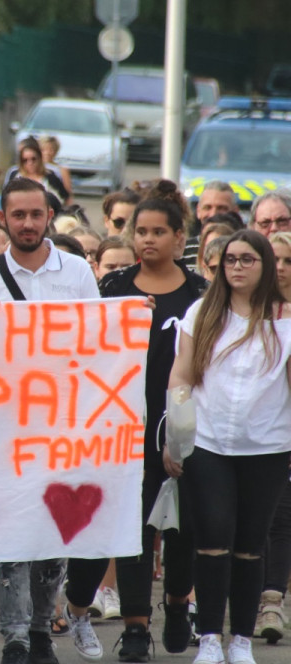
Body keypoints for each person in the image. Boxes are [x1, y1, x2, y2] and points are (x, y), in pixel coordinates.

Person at [0, 177, 99, 664]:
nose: (26, 223)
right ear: (2, 217)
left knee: (51, 533)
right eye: (17, 215)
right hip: (2, 424)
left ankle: (43, 628)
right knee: (12, 530)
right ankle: (16, 635)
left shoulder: (79, 272)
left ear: (48, 217)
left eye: (35, 215)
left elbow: (98, 343)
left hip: (61, 421)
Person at [167, 230, 291, 664]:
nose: (236, 267)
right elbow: (181, 377)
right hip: (209, 442)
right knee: (213, 536)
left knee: (251, 544)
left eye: (247, 259)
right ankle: (209, 639)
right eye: (230, 260)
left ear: (265, 265)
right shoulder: (203, 311)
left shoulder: (286, 318)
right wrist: (175, 440)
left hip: (268, 445)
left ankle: (240, 638)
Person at [98, 195, 208, 662]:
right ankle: (137, 626)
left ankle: (179, 602)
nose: (147, 240)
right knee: (134, 530)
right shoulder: (114, 287)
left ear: (179, 238)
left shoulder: (200, 295)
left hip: (183, 430)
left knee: (183, 532)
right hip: (124, 430)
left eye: (158, 232)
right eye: (140, 232)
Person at [257, 232, 291, 645]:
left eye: (288, 259)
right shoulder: (248, 311)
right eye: (274, 259)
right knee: (252, 522)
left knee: (282, 518)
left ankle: (272, 602)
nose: (280, 267)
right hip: (252, 430)